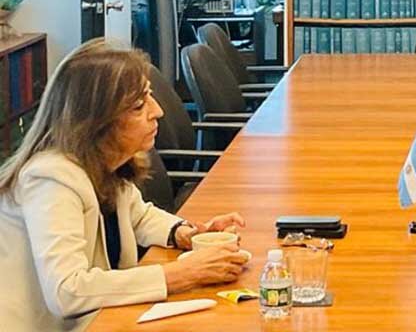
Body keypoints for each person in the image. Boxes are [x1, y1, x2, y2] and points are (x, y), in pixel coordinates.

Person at [0, 39, 249, 331]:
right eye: (138, 105)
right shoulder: (50, 178)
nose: (157, 111)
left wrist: (186, 233)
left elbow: (138, 215)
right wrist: (181, 274)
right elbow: (66, 291)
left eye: (150, 97)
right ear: (96, 121)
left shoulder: (104, 162)